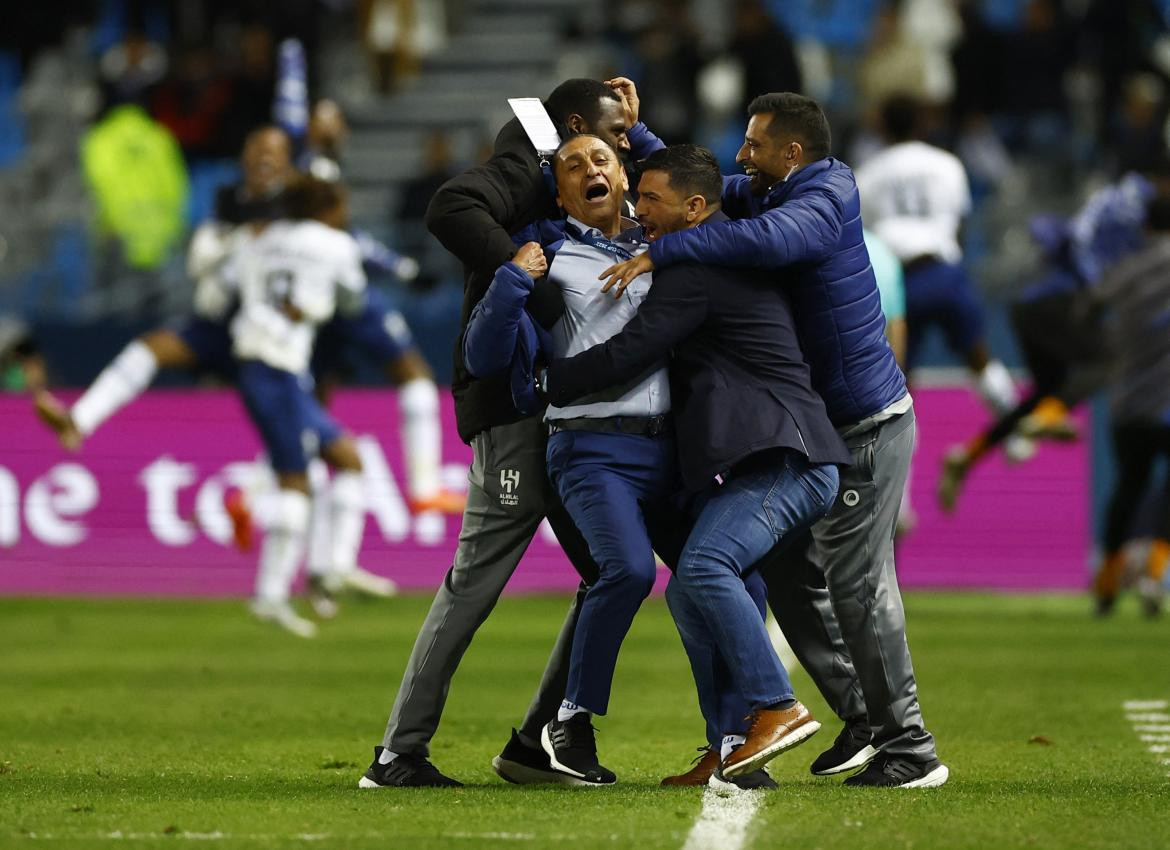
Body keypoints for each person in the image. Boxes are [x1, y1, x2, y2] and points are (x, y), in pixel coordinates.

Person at [600, 85, 948, 788]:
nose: (742, 155)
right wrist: (640, 145)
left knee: (858, 585)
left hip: (867, 426)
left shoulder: (825, 195)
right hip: (821, 428)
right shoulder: (774, 189)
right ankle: (859, 719)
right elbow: (701, 191)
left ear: (792, 152)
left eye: (754, 145)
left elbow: (766, 240)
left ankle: (909, 747)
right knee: (789, 573)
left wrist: (670, 253)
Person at [519, 142, 849, 786]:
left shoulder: (695, 267)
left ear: (694, 209)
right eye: (636, 195)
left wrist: (544, 384)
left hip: (786, 453)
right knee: (710, 585)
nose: (639, 209)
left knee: (702, 568)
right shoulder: (697, 247)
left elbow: (632, 352)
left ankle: (776, 708)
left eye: (650, 199)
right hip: (740, 454)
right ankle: (730, 744)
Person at [359, 79, 635, 789]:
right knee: (475, 583)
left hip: (561, 414)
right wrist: (531, 287)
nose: (617, 150)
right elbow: (450, 206)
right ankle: (397, 753)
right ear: (569, 131)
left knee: (615, 571)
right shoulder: (527, 166)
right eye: (609, 133)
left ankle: (538, 741)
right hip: (511, 409)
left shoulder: (582, 173)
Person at [463, 134, 680, 785]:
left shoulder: (664, 248)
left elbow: (704, 193)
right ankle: (571, 721)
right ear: (559, 195)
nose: (590, 170)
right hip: (587, 446)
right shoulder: (549, 260)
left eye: (602, 160)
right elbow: (483, 359)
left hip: (668, 450)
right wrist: (508, 283)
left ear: (624, 175)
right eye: (573, 166)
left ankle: (734, 728)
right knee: (627, 571)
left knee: (724, 572)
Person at [225, 176, 370, 637]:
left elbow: (229, 285)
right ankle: (270, 595)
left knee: (347, 458)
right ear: (328, 207)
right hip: (278, 367)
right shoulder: (336, 243)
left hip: (258, 362)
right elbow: (354, 300)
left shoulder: (259, 237)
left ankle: (330, 569)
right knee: (294, 479)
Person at [853, 96, 1025, 454]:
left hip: (897, 282)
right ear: (921, 125)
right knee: (979, 355)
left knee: (897, 388)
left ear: (882, 127)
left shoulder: (866, 173)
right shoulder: (947, 164)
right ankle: (1016, 430)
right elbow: (960, 223)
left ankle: (902, 499)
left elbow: (865, 240)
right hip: (942, 268)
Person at [1091, 195, 1170, 617]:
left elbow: (1089, 308)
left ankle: (1107, 582)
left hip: (1130, 402)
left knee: (1127, 488)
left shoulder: (1123, 272)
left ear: (1144, 227)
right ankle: (1154, 575)